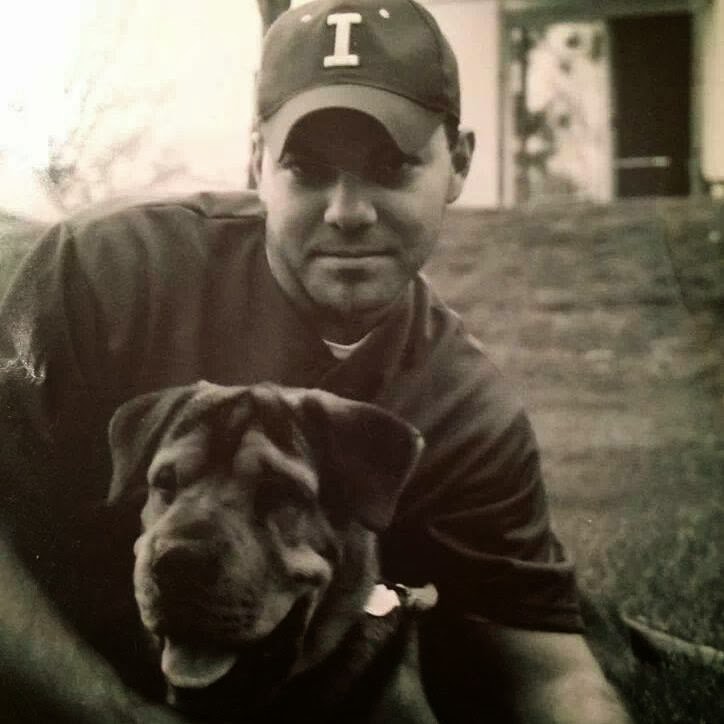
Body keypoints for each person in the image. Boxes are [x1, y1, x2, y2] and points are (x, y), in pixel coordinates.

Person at [0, 0, 632, 721]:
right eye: (307, 169)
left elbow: (549, 674)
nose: (347, 211)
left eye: (390, 168)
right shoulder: (106, 271)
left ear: (458, 163)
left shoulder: (463, 407)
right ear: (257, 162)